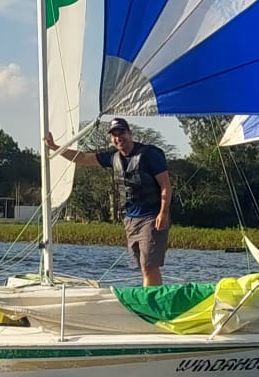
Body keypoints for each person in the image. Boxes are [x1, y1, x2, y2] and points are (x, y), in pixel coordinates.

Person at [45, 118, 172, 286]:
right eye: (114, 135)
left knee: (149, 265)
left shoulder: (149, 155)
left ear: (130, 133)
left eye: (122, 133)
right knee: (143, 265)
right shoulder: (112, 157)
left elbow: (166, 186)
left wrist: (163, 213)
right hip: (131, 220)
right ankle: (150, 297)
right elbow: (82, 158)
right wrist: (55, 147)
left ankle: (151, 303)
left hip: (152, 217)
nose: (118, 138)